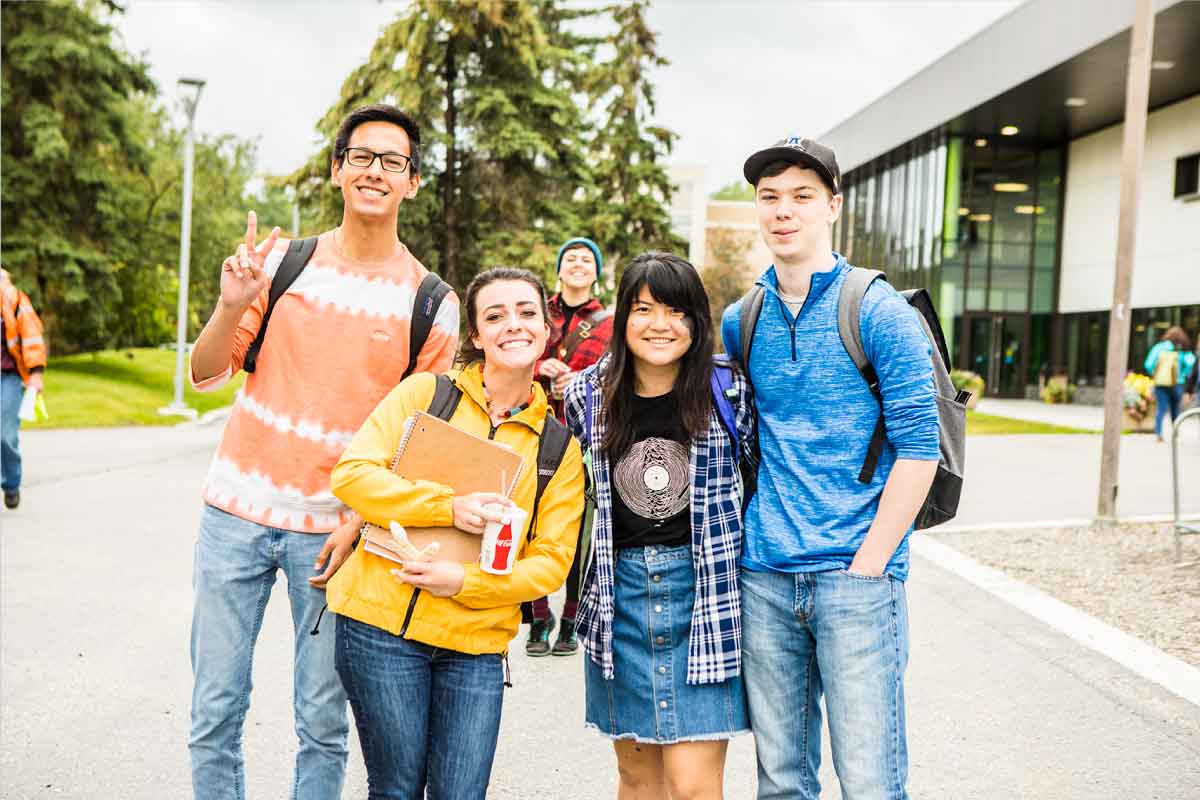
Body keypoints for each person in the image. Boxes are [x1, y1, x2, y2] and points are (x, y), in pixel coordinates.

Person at [186, 104, 460, 800]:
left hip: (335, 536)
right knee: (215, 710)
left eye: (392, 161)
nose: (374, 170)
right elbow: (204, 371)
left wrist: (355, 522)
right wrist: (229, 304)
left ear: (413, 182)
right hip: (235, 514)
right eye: (360, 156)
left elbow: (417, 449)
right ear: (337, 170)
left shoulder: (432, 302)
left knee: (322, 721)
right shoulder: (282, 263)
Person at [722, 137, 940, 800]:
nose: (783, 211)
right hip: (766, 576)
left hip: (857, 580)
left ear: (832, 207)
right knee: (781, 782)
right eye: (770, 198)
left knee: (870, 782)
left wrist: (870, 561)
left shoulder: (878, 312)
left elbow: (920, 447)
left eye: (801, 197)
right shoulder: (742, 320)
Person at [324, 267, 584, 799]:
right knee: (395, 789)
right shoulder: (426, 394)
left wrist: (462, 582)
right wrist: (449, 507)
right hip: (380, 630)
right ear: (475, 335)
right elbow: (352, 476)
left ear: (546, 326)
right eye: (495, 315)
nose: (513, 324)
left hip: (473, 646)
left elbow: (551, 562)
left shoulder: (558, 448)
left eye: (526, 312)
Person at [564, 252, 755, 800]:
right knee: (637, 780)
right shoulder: (587, 396)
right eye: (644, 309)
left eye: (676, 311)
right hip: (618, 596)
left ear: (697, 321)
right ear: (623, 317)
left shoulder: (730, 392)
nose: (659, 325)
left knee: (694, 786)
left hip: (705, 597)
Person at [527, 236, 614, 656]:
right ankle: (538, 615)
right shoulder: (537, 314)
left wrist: (581, 381)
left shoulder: (610, 322)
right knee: (531, 518)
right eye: (570, 258)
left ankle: (572, 616)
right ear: (559, 269)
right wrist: (540, 366)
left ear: (596, 273)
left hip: (583, 434)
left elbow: (617, 374)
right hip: (535, 427)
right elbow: (513, 356)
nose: (578, 264)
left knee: (580, 527)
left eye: (586, 259)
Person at [0, 268, 47, 510]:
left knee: (5, 436)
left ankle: (10, 484)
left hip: (8, 376)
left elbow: (32, 336)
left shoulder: (13, 299)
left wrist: (36, 373)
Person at [1144, 325, 1196, 441]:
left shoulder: (1159, 347)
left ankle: (1158, 433)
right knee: (1175, 409)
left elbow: (1148, 364)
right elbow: (1192, 364)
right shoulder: (1181, 349)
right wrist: (1183, 374)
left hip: (1160, 383)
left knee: (1161, 408)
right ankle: (1175, 432)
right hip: (1177, 383)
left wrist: (1156, 374)